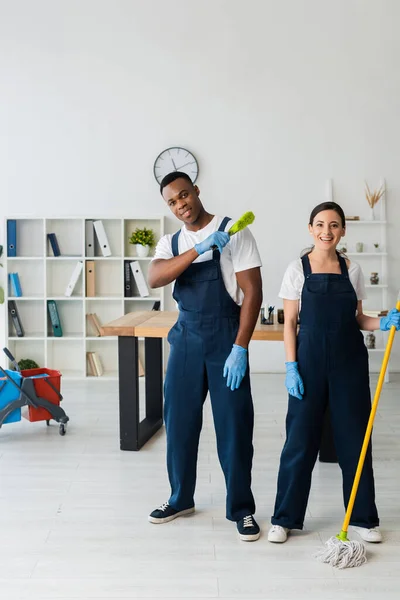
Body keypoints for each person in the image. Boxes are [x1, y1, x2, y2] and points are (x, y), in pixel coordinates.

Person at [268, 201, 400, 544]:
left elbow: (359, 319)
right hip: (308, 365)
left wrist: (383, 323)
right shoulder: (297, 270)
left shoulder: (352, 269)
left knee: (356, 441)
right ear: (311, 229)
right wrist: (290, 367)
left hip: (349, 364)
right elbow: (290, 323)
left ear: (343, 231)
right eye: (320, 224)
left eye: (334, 225)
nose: (327, 231)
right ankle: (284, 518)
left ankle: (362, 518)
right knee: (299, 441)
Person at [147, 171, 263, 541]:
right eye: (173, 201)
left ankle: (241, 509)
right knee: (179, 423)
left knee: (235, 427)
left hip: (225, 337)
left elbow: (253, 293)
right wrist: (199, 248)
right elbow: (155, 277)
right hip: (185, 339)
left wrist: (240, 347)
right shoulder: (172, 241)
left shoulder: (235, 231)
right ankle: (180, 498)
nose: (181, 204)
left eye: (185, 195)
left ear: (196, 191)